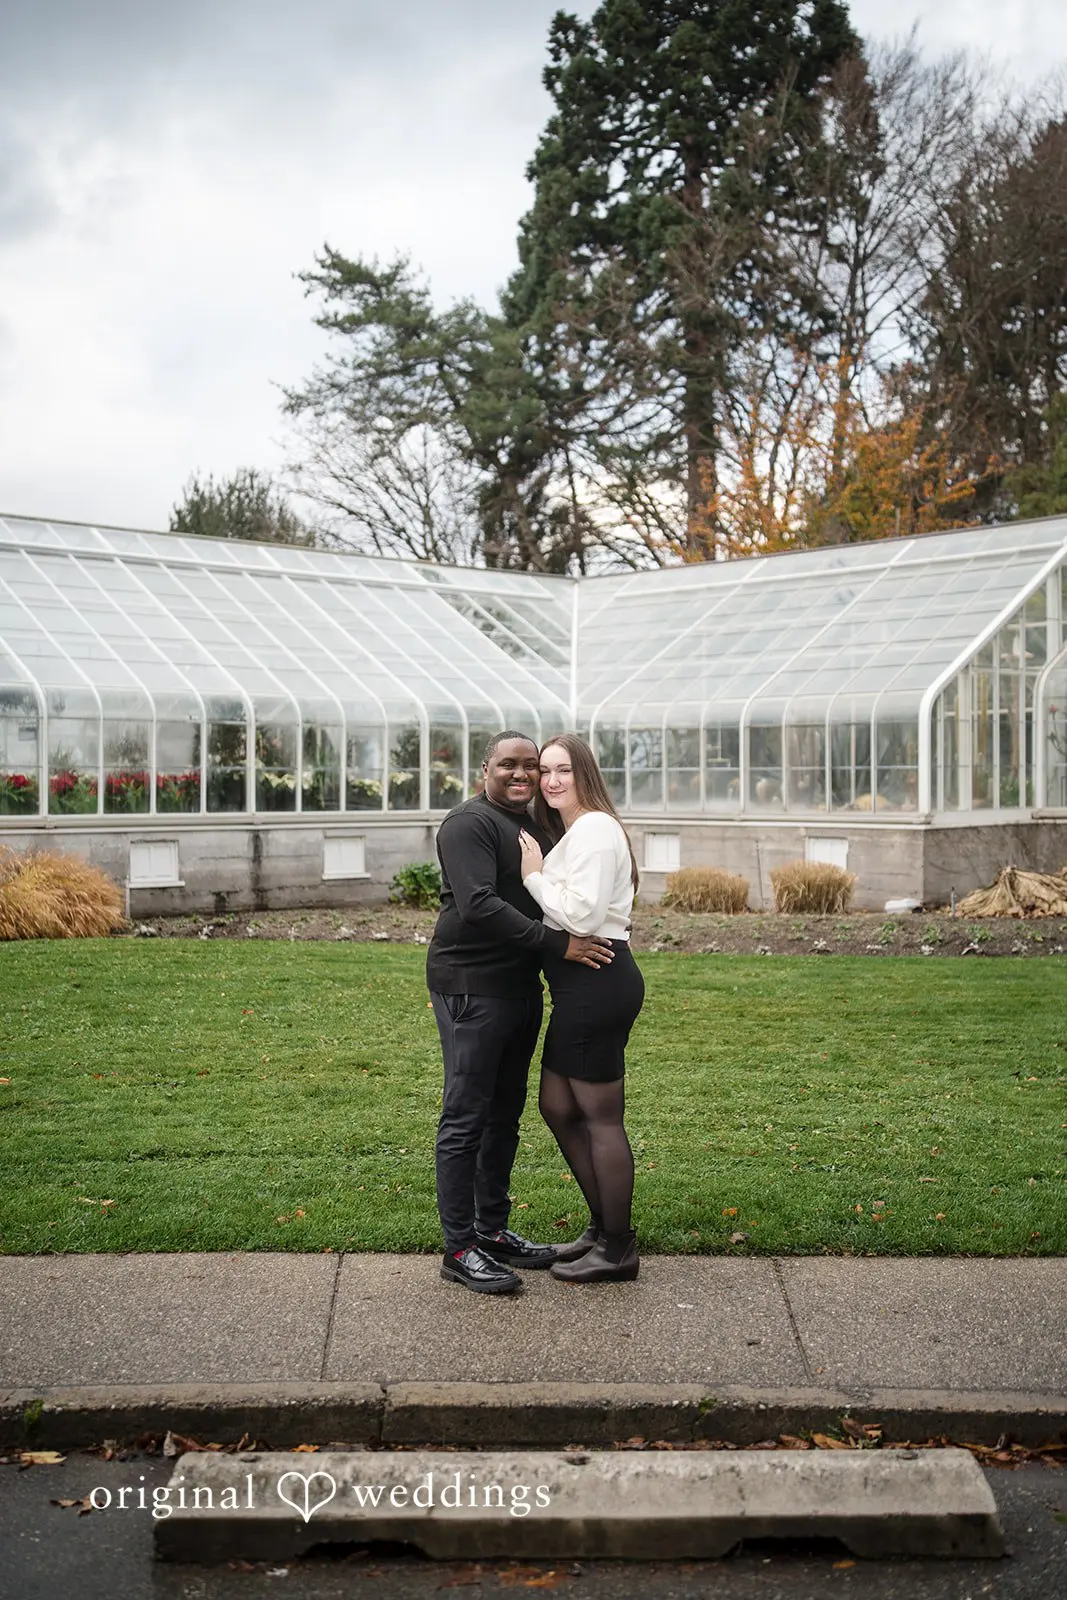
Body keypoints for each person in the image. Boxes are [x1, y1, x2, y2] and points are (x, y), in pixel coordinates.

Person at [427, 731, 614, 1295]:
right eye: (508, 764)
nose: (521, 774)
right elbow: (479, 903)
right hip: (470, 985)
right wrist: (559, 947)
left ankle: (491, 1229)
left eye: (530, 766)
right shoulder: (468, 824)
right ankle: (460, 1248)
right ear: (484, 768)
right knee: (466, 1115)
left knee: (504, 1113)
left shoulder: (532, 824)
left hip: (518, 987)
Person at [517, 733, 644, 1284]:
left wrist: (532, 877)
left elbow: (584, 917)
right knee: (556, 1105)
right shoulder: (578, 828)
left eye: (562, 770)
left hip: (598, 980)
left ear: (583, 772)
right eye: (544, 771)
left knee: (598, 1117)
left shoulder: (593, 828)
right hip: (579, 986)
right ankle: (601, 1227)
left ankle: (618, 1247)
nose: (550, 781)